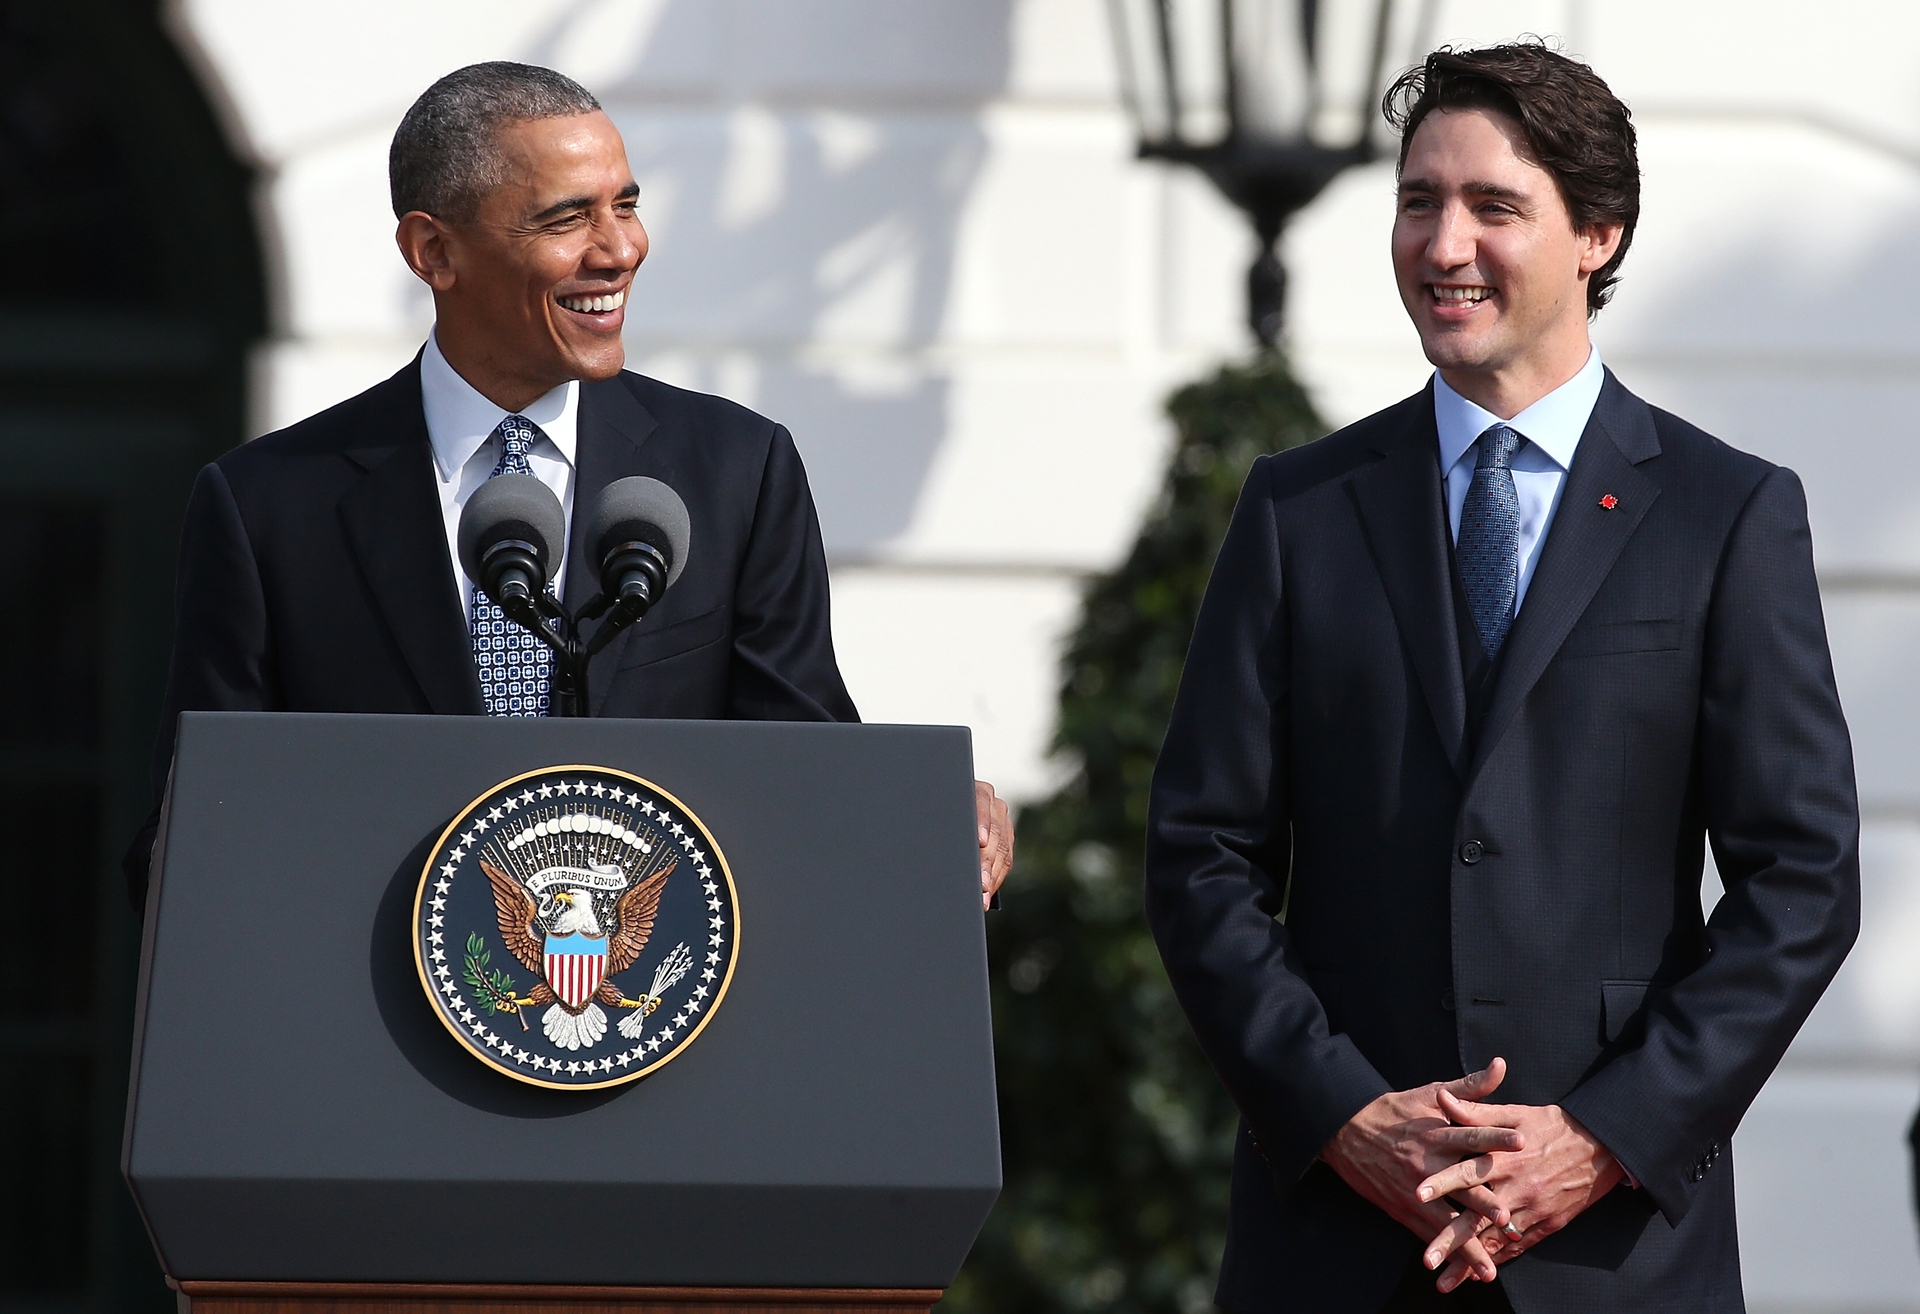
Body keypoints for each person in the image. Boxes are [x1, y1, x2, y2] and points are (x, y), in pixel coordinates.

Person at [1145, 43, 1858, 1313]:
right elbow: (1202, 854)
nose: (1443, 242)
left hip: (1614, 1255)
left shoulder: (1728, 514)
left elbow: (1800, 883)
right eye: (1419, 201)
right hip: (1338, 1253)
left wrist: (1599, 1140)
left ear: (1598, 233)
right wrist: (1348, 1114)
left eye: (1494, 206)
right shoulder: (1300, 509)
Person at [125, 62, 1012, 909]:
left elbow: (807, 771)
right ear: (434, 251)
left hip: (658, 1035)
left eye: (626, 204)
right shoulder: (271, 506)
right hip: (378, 1037)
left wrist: (922, 814)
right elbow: (194, 832)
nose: (620, 249)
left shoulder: (736, 472)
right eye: (566, 218)